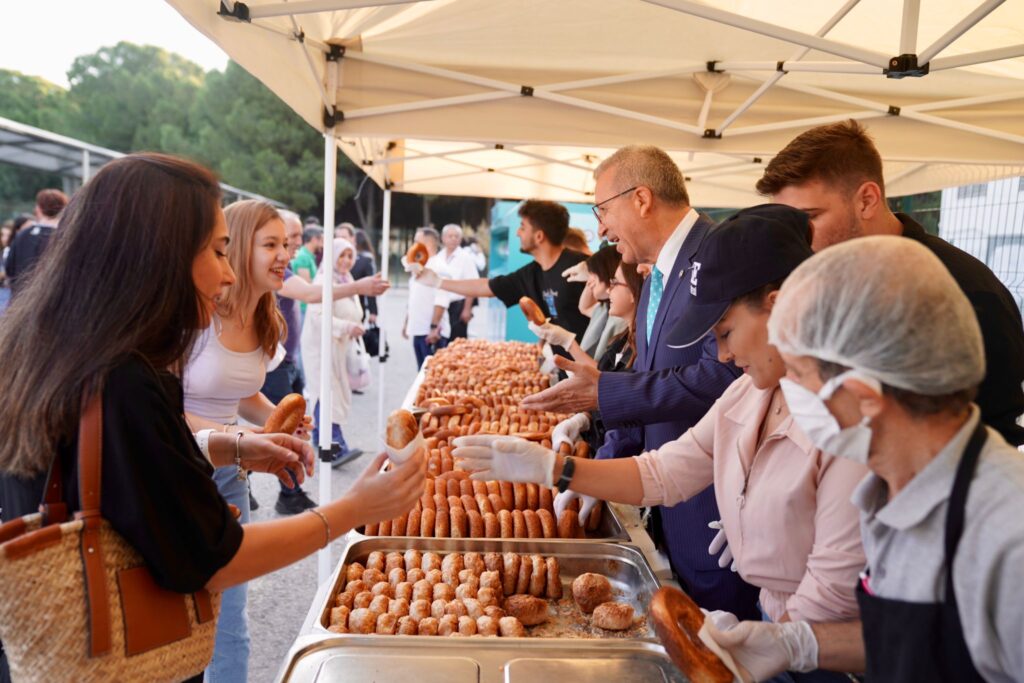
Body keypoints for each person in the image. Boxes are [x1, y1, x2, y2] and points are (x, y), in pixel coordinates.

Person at [0, 153, 424, 683]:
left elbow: (121, 469)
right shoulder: (124, 379)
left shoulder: (48, 349)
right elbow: (214, 560)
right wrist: (351, 510)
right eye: (219, 251)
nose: (225, 274)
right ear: (161, 255)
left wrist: (230, 448)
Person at [458, 207, 866, 683]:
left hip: (828, 661)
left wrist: (784, 638)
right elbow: (665, 472)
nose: (723, 355)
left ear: (777, 308)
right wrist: (555, 469)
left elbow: (830, 606)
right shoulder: (748, 393)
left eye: (727, 333)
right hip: (778, 632)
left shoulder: (842, 425)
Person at [704, 236, 1024, 683]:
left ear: (863, 398)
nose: (784, 390)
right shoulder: (891, 490)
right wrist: (796, 643)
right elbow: (912, 640)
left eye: (797, 375)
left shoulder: (1008, 540)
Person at [525, 146, 759, 618]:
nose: (600, 230)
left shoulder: (716, 257)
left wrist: (605, 391)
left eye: (603, 211)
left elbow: (727, 375)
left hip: (714, 515)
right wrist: (602, 467)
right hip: (668, 505)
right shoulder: (653, 278)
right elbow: (650, 382)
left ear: (642, 199)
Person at [759, 119, 1024, 447]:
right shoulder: (830, 280)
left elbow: (995, 433)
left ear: (867, 200)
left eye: (809, 218)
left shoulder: (965, 291)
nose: (797, 239)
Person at [181, 199, 295, 683]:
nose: (284, 254)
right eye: (270, 244)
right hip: (179, 472)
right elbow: (161, 408)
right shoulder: (197, 316)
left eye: (286, 243)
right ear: (238, 249)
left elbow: (241, 391)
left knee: (232, 619)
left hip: (230, 477)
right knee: (177, 617)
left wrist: (276, 419)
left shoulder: (267, 317)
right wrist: (241, 435)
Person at [260, 211, 389, 514]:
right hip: (278, 360)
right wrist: (358, 290)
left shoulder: (289, 267)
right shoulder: (278, 270)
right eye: (286, 238)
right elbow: (309, 296)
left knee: (284, 424)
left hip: (288, 358)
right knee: (282, 425)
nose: (294, 244)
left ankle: (269, 480)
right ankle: (288, 491)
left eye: (294, 237)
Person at [411, 200, 590, 345]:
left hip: (590, 371)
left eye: (523, 227)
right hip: (562, 369)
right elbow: (485, 287)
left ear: (539, 236)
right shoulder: (531, 273)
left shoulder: (582, 267)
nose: (518, 233)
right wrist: (438, 282)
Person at [301, 238, 366, 468]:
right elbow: (318, 317)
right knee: (327, 393)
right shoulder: (323, 280)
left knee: (330, 391)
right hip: (321, 347)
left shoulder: (347, 280)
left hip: (338, 345)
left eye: (350, 256)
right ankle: (335, 446)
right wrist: (347, 327)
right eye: (342, 255)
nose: (347, 261)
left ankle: (321, 439)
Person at [403, 227, 454, 368]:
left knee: (429, 374)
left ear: (429, 244)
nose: (414, 246)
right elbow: (414, 297)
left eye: (417, 242)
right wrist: (407, 322)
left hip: (432, 334)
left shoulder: (439, 268)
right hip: (418, 330)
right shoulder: (419, 266)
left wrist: (433, 327)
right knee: (421, 373)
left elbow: (441, 302)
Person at [3, 189, 68, 298]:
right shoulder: (66, 237)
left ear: (39, 208)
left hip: (21, 303)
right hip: (55, 302)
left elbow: (10, 268)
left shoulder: (23, 235)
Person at [439, 223, 480, 340]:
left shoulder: (465, 257)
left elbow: (472, 285)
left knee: (457, 342)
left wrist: (467, 309)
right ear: (443, 238)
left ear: (460, 239)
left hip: (458, 307)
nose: (453, 239)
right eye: (450, 236)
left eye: (456, 236)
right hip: (441, 308)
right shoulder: (439, 256)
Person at [353, 228, 379, 325]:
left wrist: (373, 311)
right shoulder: (367, 258)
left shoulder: (365, 259)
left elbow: (371, 284)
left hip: (358, 304)